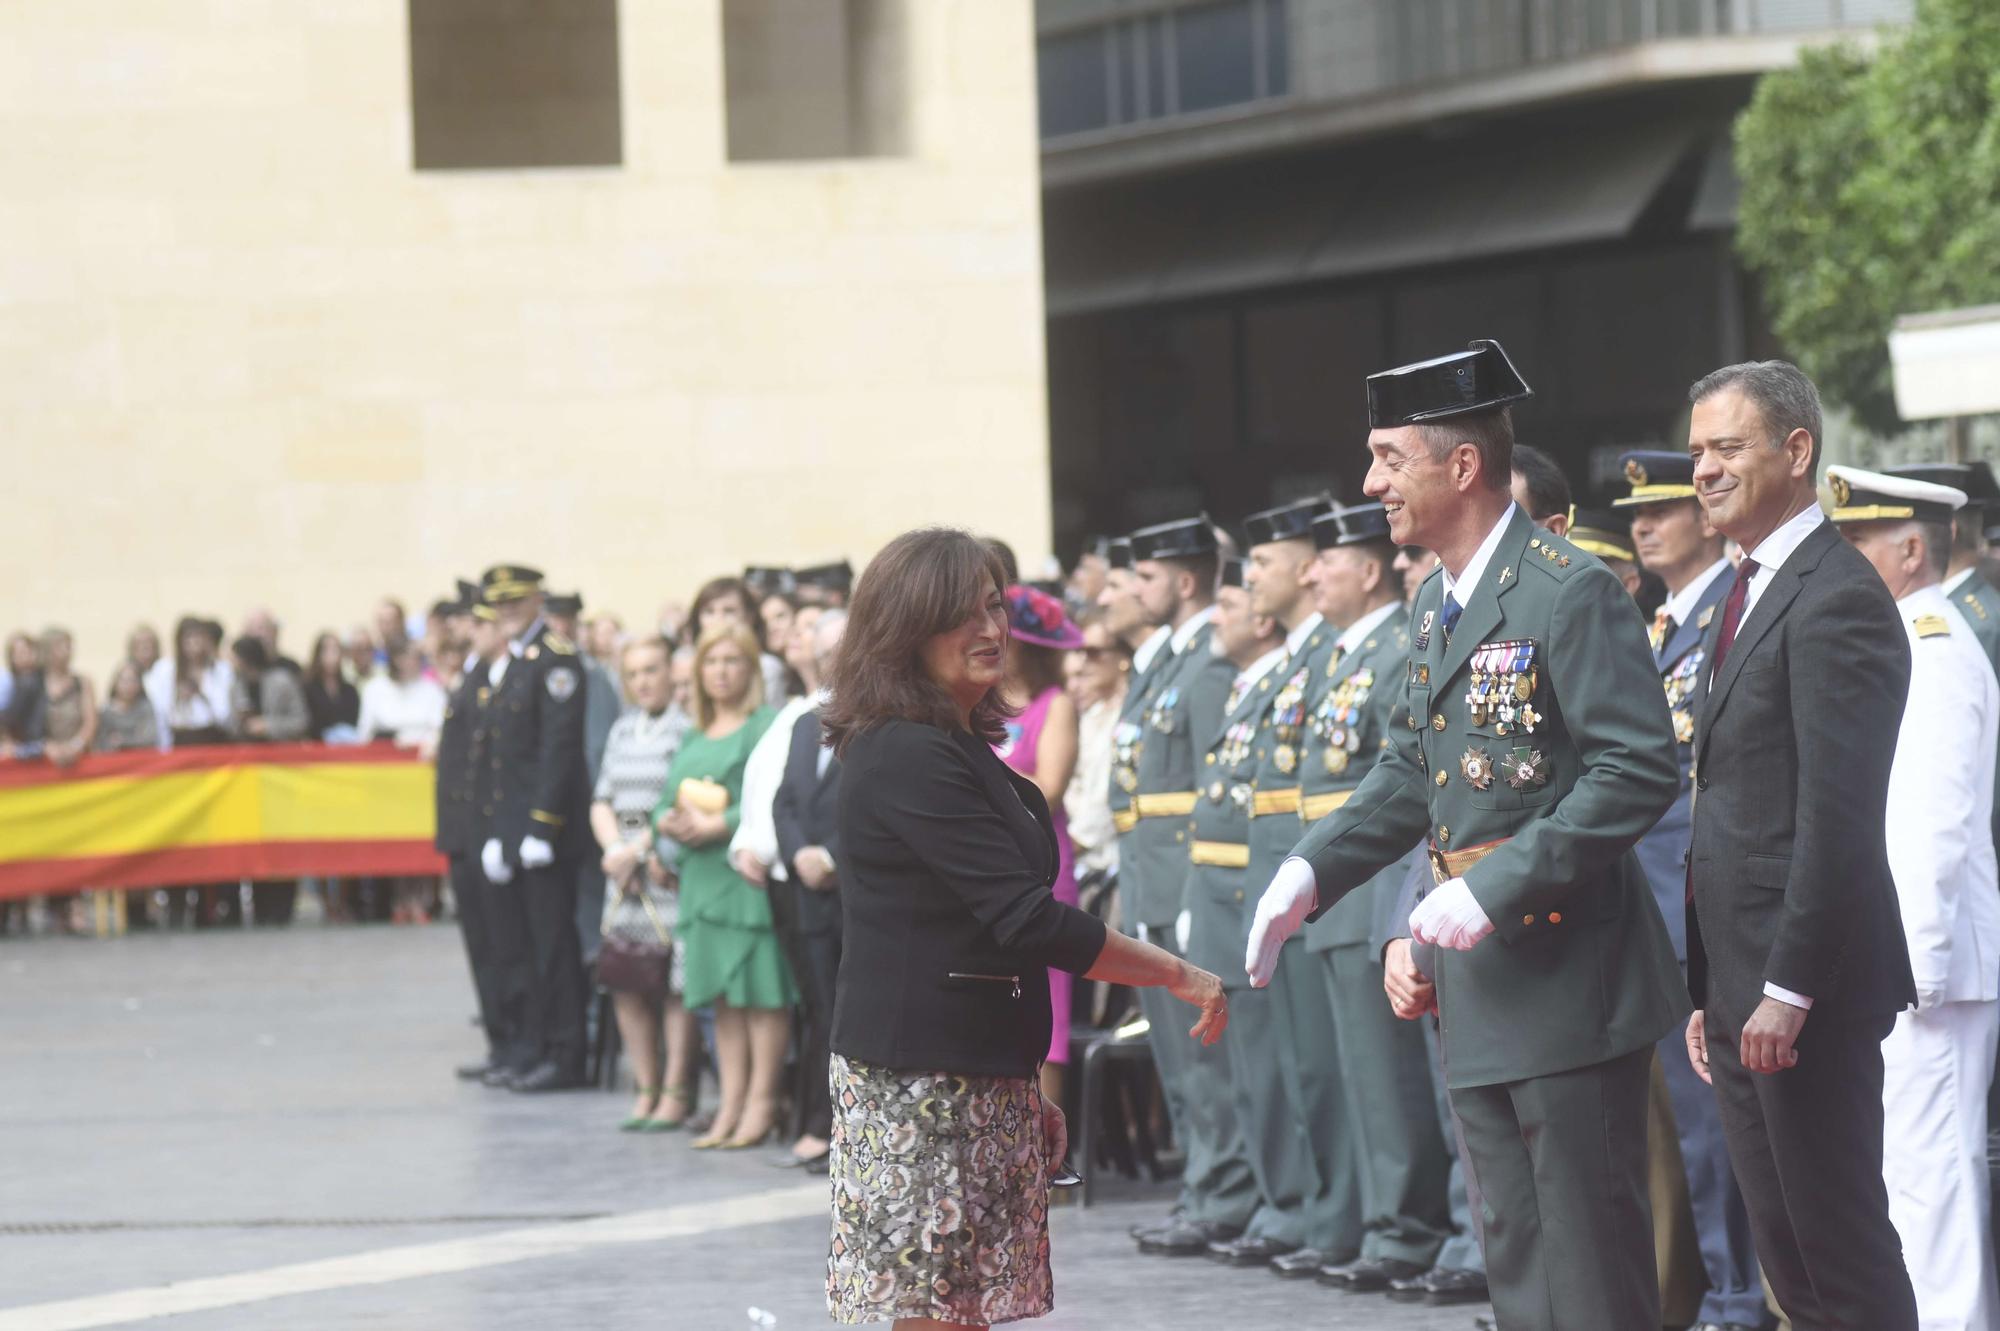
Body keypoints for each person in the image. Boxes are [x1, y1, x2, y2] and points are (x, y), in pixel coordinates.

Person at [1249, 339, 1686, 1330]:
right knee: (1516, 1256)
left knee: (1588, 1260)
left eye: (1386, 457)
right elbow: (1411, 771)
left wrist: (1489, 886)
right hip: (1477, 978)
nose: (1369, 483)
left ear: (1459, 465)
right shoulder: (1435, 602)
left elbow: (1635, 769)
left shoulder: (1563, 588)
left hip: (1569, 974)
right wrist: (1309, 869)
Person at [819, 526, 1228, 1330]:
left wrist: (1019, 1083)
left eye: (994, 607)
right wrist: (1178, 973)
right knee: (930, 1310)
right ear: (903, 631)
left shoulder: (958, 743)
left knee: (959, 1308)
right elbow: (1027, 920)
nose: (992, 630)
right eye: (961, 615)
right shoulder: (905, 752)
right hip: (924, 1080)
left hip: (974, 1072)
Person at [1681, 361, 1919, 1330]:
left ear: (1795, 450)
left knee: (1838, 1248)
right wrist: (1713, 988)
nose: (1700, 468)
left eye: (1723, 447)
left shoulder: (1834, 597)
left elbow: (1836, 818)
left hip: (1800, 992)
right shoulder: (1738, 590)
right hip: (1741, 987)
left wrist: (1785, 987)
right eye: (1695, 448)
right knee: (1791, 1260)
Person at [1827, 465, 2000, 1331]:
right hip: (1907, 955)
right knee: (1910, 1172)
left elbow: (1931, 822)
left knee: (1934, 1177)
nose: (1846, 554)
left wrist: (1918, 962)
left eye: (1859, 540)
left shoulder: (1930, 643)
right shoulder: (1903, 636)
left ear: (1911, 547)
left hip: (1929, 961)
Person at [1612, 448, 1765, 1331]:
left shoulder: (1723, 617)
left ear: (1706, 519)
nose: (1644, 523)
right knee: (1677, 1134)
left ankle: (1739, 1295)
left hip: (1692, 902)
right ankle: (1711, 1288)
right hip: (1653, 901)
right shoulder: (1664, 623)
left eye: (1664, 507)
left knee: (1713, 1124)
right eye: (1637, 511)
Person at [1295, 503, 1453, 1297]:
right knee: (1355, 1078)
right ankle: (1382, 1220)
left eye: (1329, 558)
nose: (1310, 573)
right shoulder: (1337, 655)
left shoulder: (1399, 643)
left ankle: (1411, 1224)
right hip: (1340, 874)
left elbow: (1403, 775)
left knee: (1398, 1081)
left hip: (1385, 877)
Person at [1210, 495, 1362, 1279]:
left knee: (1343, 1071)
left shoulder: (1332, 654)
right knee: (1299, 1066)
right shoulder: (1313, 659)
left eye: (1265, 562)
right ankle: (1317, 1210)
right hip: (1281, 876)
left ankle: (1347, 1216)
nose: (1252, 577)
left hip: (1333, 884)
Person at [1117, 517, 1256, 1258]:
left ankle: (1224, 1190)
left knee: (1205, 1060)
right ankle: (1202, 1186)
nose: (1137, 587)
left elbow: (1216, 786)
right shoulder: (1166, 662)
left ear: (1186, 579)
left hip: (1184, 881)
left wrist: (1195, 890)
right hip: (1151, 882)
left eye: (1147, 574)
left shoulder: (1205, 665)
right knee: (1178, 1062)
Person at [655, 621, 788, 1147]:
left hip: (743, 874)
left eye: (732, 661)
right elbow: (666, 798)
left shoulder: (764, 724)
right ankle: (730, 1103)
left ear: (751, 669)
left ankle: (762, 1101)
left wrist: (722, 823)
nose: (721, 671)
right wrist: (665, 821)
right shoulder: (691, 733)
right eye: (711, 662)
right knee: (723, 1000)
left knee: (761, 994)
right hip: (701, 879)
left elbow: (772, 793)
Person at [479, 565, 592, 1093]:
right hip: (516, 833)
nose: (506, 612)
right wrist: (500, 834)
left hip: (547, 835)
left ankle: (566, 1053)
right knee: (523, 945)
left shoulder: (555, 660)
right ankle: (536, 1046)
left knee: (553, 946)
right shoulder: (517, 662)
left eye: (515, 602)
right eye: (499, 604)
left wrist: (541, 828)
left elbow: (558, 751)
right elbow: (507, 763)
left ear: (537, 601)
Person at [592, 635, 699, 1132]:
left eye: (652, 670)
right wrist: (615, 849)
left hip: (665, 866)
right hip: (624, 873)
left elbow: (685, 803)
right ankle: (645, 1085)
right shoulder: (620, 730)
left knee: (673, 983)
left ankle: (677, 1090)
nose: (644, 681)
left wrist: (642, 850)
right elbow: (602, 799)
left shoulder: (687, 730)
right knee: (626, 977)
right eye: (633, 674)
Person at [993, 584, 1084, 1105]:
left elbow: (1047, 791)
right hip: (992, 871)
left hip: (1042, 871)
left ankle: (1050, 1161)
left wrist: (981, 777)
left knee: (1048, 1012)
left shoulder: (1056, 706)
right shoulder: (983, 706)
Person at [439, 597, 531, 1084]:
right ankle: (501, 1042)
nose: (469, 630)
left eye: (480, 622)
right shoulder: (476, 676)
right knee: (483, 946)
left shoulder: (502, 677)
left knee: (505, 946)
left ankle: (516, 1042)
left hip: (485, 834)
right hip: (462, 832)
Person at [769, 610, 849, 1170]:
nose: (832, 666)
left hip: (854, 893)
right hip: (807, 892)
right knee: (818, 1007)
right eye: (824, 657)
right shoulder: (805, 723)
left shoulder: (881, 725)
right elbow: (786, 801)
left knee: (848, 1013)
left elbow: (877, 807)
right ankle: (818, 1124)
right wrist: (799, 851)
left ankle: (839, 1129)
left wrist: (832, 856)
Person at [1062, 609, 1127, 886]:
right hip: (1080, 866)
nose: (1083, 662)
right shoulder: (1093, 714)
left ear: (1123, 657)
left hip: (1107, 871)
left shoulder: (1124, 718)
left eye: (1094, 652)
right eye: (1079, 651)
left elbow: (1099, 812)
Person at [691, 575, 789, 703]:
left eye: (729, 611)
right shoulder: (689, 662)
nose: (718, 619)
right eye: (709, 611)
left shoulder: (767, 667)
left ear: (749, 616)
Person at [35, 627, 97, 768]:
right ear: (48, 650)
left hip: (79, 758)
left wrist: (75, 746)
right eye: (62, 646)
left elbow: (90, 722)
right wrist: (47, 747)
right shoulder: (34, 684)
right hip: (43, 760)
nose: (68, 650)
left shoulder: (82, 683)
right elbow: (27, 725)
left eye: (69, 646)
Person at [302, 630, 361, 739]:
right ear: (317, 654)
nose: (332, 656)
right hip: (316, 749)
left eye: (335, 650)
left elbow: (355, 722)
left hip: (346, 749)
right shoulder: (307, 688)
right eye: (326, 650)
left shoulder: (350, 690)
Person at [96, 661, 158, 753]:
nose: (128, 686)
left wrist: (123, 741)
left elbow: (149, 739)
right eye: (124, 681)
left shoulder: (146, 708)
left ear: (139, 684)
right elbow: (100, 744)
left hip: (142, 759)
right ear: (115, 683)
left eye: (133, 680)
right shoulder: (106, 711)